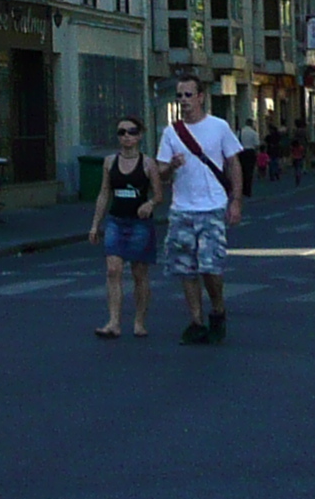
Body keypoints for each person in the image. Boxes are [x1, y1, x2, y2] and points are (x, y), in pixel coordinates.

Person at [154, 74, 247, 345]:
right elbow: (159, 170)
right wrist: (171, 166)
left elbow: (233, 164)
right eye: (179, 96)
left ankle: (217, 310)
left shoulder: (218, 127)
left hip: (212, 206)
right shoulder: (171, 132)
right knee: (186, 268)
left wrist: (236, 201)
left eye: (188, 95)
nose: (183, 101)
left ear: (200, 97)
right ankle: (195, 321)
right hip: (182, 209)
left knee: (210, 266)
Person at [87, 118, 161, 339]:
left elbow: (158, 194)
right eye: (122, 132)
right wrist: (95, 225)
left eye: (131, 132)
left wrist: (150, 204)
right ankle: (113, 322)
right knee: (113, 270)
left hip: (140, 224)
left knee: (139, 273)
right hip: (116, 221)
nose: (126, 136)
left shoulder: (148, 164)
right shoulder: (109, 162)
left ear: (139, 136)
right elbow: (104, 193)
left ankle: (139, 322)